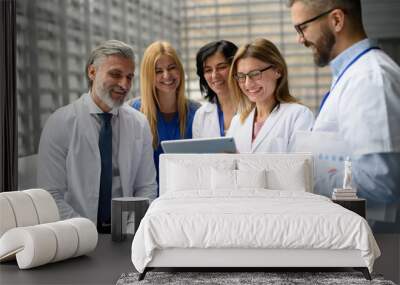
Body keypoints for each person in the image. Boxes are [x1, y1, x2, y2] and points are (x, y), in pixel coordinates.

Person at [289, 0, 400, 229]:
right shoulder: (352, 75)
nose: (300, 39)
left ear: (337, 20)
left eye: (302, 28)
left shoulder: (369, 79)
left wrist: (301, 178)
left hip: (377, 242)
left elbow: (381, 181)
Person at [37, 40, 157, 233]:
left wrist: (129, 230)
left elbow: (146, 186)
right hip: (75, 234)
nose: (124, 84)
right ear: (92, 72)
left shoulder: (139, 123)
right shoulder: (60, 123)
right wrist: (86, 232)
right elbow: (50, 194)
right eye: (115, 74)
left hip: (127, 235)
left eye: (129, 77)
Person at [131, 41, 200, 193]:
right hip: (145, 203)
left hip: (187, 198)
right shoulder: (132, 113)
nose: (167, 76)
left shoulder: (197, 113)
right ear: (148, 75)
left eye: (171, 68)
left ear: (180, 70)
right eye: (158, 71)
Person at [226, 38, 314, 153]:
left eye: (255, 74)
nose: (248, 84)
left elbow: (300, 167)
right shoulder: (237, 121)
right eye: (241, 76)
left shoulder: (298, 115)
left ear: (278, 71)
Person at [193, 40, 238, 138]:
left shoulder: (255, 108)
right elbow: (197, 153)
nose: (214, 76)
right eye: (208, 70)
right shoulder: (201, 116)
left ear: (236, 68)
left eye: (221, 67)